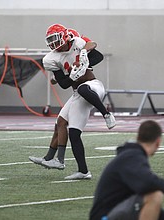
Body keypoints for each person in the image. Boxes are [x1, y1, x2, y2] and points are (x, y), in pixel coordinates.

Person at [29, 24, 115, 180]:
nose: (53, 44)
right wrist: (71, 76)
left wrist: (84, 58)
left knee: (82, 91)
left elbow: (95, 50)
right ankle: (55, 159)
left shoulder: (78, 43)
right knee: (61, 123)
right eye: (51, 40)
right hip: (77, 93)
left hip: (92, 87)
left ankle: (107, 115)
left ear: (65, 36)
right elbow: (63, 84)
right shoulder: (51, 58)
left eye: (55, 39)